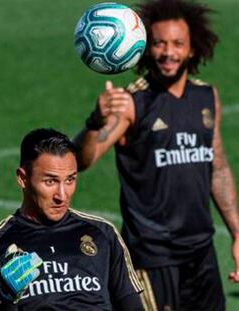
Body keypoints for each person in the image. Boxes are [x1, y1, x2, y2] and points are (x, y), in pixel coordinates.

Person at [74, 0, 239, 310]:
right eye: (160, 43)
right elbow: (84, 159)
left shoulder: (206, 97)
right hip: (151, 257)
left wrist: (236, 232)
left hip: (201, 251)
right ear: (146, 48)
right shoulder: (131, 103)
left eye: (178, 44)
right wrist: (94, 123)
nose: (168, 52)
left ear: (192, 49)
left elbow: (217, 167)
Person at [0, 128, 143, 310]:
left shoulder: (103, 234)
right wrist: (4, 299)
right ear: (22, 178)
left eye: (69, 180)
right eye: (50, 181)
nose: (62, 195)